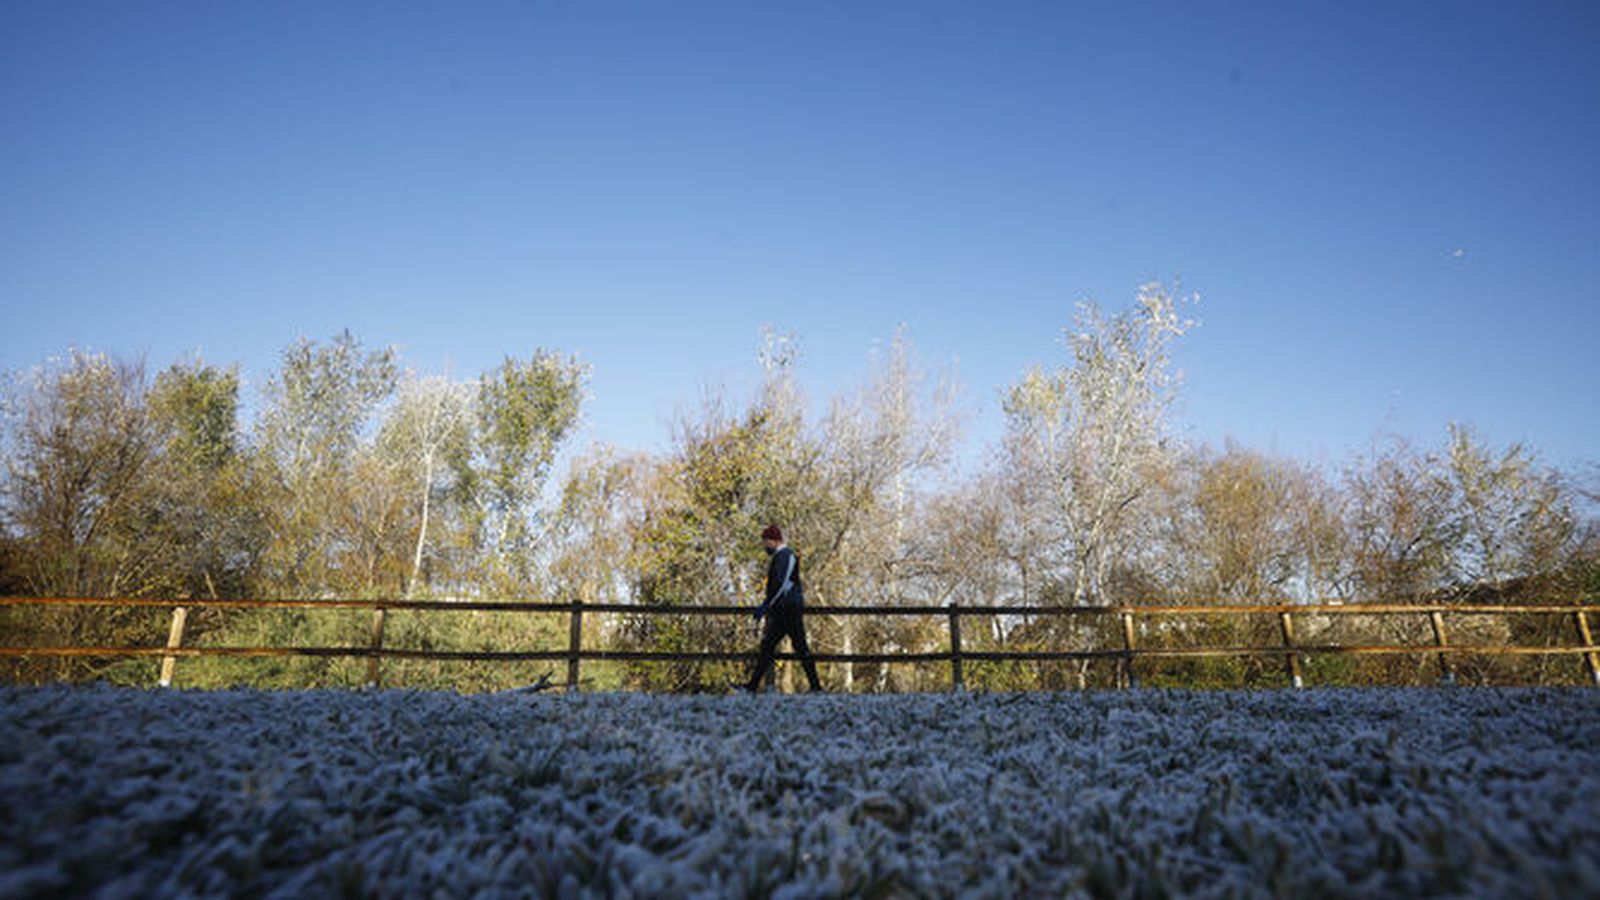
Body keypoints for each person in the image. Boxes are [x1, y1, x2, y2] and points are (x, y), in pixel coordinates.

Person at [741, 524, 823, 693]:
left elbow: (781, 583)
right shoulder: (782, 556)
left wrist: (767, 604)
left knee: (778, 647)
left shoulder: (785, 556)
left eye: (766, 542)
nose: (765, 546)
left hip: (787, 608)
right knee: (774, 647)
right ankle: (752, 686)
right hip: (785, 608)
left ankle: (752, 686)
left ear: (773, 540)